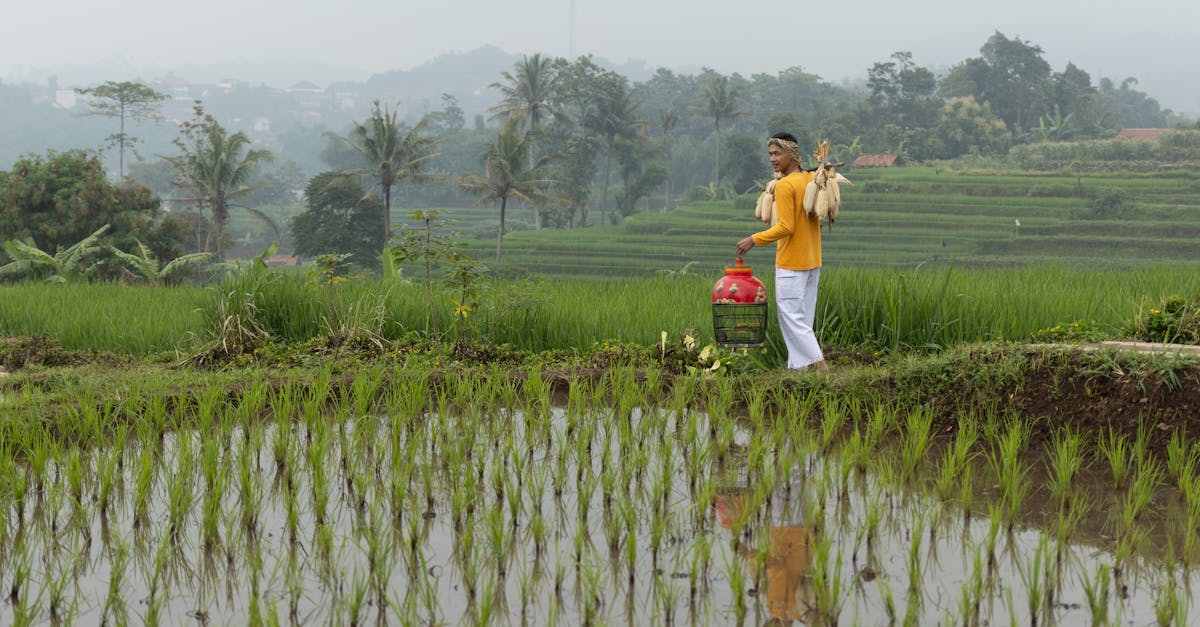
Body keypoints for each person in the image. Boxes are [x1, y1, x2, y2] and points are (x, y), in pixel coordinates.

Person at [735, 133, 828, 371]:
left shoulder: (786, 185)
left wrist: (753, 239)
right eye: (770, 154)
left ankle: (821, 367)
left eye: (777, 154)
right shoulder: (811, 179)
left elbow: (786, 226)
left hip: (791, 264)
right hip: (812, 261)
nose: (772, 159)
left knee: (792, 320)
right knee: (803, 320)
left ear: (791, 154)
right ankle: (798, 370)